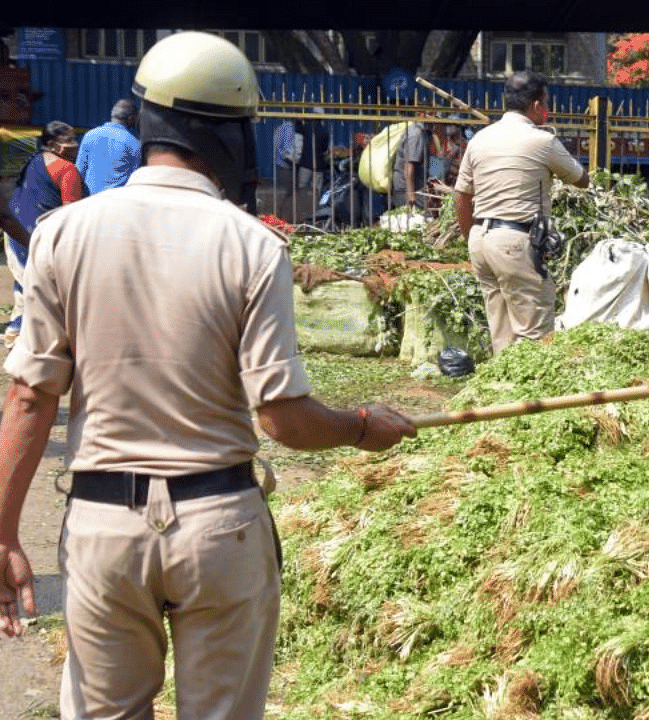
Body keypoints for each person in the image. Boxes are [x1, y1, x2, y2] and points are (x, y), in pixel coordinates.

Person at [0, 31, 417, 719]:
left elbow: (28, 397)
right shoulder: (251, 244)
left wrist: (7, 533)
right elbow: (282, 416)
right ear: (227, 135)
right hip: (219, 528)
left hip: (103, 530)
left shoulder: (63, 235)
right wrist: (362, 427)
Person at [453, 70, 589, 354]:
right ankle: (534, 397)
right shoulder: (542, 141)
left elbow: (462, 196)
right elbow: (582, 179)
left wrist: (471, 239)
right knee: (534, 334)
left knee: (501, 332)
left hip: (481, 240)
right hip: (515, 242)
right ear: (537, 105)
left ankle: (502, 392)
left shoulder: (479, 139)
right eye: (546, 103)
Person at [6, 120, 85, 347]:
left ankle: (15, 330)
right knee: (43, 290)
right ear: (52, 145)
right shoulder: (67, 170)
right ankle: (31, 337)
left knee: (24, 282)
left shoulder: (33, 161)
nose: (75, 144)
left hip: (16, 232)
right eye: (69, 140)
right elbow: (73, 211)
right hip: (42, 237)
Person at [75, 98, 141, 194]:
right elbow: (135, 178)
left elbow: (80, 171)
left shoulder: (90, 135)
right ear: (131, 118)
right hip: (117, 201)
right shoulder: (134, 144)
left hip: (91, 199)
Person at [392, 121, 431, 210]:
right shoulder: (416, 135)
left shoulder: (421, 132)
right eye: (430, 113)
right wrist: (411, 193)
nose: (435, 117)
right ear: (420, 114)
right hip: (407, 189)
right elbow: (409, 167)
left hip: (410, 187)